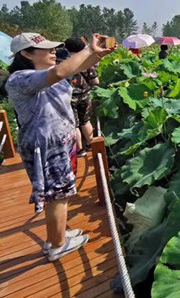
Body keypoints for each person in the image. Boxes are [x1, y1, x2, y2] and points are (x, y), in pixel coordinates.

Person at [5, 32, 115, 261]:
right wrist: (88, 49)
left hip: (60, 140)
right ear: (25, 53)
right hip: (45, 144)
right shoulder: (20, 79)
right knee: (58, 195)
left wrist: (97, 55)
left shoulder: (43, 75)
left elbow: (73, 69)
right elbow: (60, 72)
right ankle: (57, 245)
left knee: (59, 192)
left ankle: (58, 234)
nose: (53, 51)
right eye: (46, 49)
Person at [64, 38, 100, 158]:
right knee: (85, 121)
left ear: (66, 48)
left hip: (69, 98)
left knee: (74, 125)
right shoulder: (87, 62)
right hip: (85, 95)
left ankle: (80, 150)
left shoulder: (63, 63)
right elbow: (96, 82)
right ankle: (91, 144)